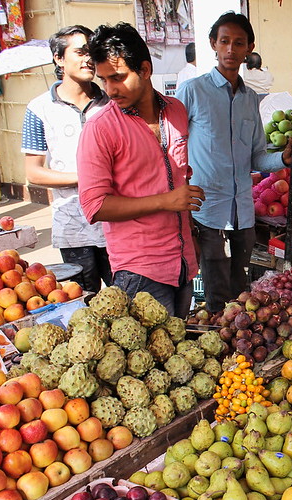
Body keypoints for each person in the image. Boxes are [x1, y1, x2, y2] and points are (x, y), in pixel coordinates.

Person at [176, 12, 292, 313]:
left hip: (243, 211)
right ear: (213, 44)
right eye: (224, 42)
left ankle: (240, 351)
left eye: (239, 43)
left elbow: (257, 156)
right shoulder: (193, 92)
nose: (231, 50)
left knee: (241, 290)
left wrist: (283, 158)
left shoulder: (251, 99)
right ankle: (219, 350)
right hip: (207, 209)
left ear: (249, 47)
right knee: (216, 293)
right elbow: (173, 148)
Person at [77, 23, 203, 318]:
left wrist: (176, 180)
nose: (110, 89)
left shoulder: (176, 110)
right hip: (140, 271)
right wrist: (165, 200)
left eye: (118, 78)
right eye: (104, 80)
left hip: (184, 262)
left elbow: (172, 171)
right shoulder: (100, 128)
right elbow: (95, 206)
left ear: (145, 70)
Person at [22, 26, 112, 294]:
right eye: (80, 52)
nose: (88, 59)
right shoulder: (39, 109)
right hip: (73, 227)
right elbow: (34, 173)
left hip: (115, 223)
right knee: (84, 304)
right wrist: (85, 178)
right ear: (59, 58)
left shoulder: (111, 103)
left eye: (92, 53)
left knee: (129, 302)